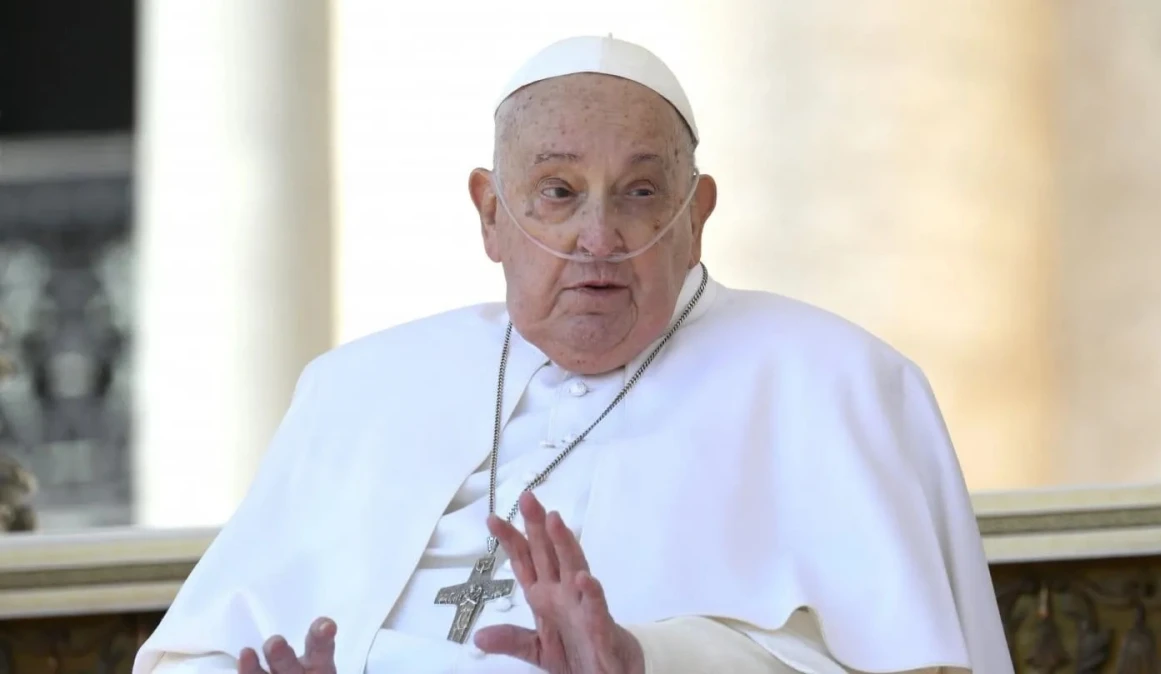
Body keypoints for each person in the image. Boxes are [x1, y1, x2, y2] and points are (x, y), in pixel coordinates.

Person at [133, 35, 1012, 674]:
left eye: (639, 193)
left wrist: (651, 664)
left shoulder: (835, 381)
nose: (599, 237)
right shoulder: (356, 389)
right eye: (557, 193)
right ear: (490, 214)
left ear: (697, 214)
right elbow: (193, 654)